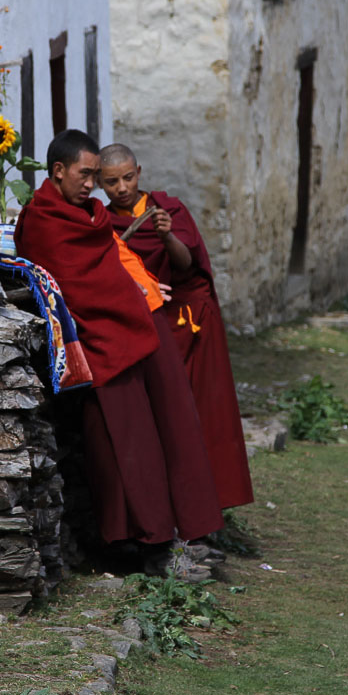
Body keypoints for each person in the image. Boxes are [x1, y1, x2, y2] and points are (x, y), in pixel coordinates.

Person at [15, 129, 224, 548]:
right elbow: (78, 284)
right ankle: (144, 541)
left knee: (174, 425)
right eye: (86, 174)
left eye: (97, 176)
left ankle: (193, 529)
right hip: (101, 341)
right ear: (58, 171)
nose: (94, 184)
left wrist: (139, 291)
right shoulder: (43, 220)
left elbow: (115, 263)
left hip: (137, 325)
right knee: (121, 445)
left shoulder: (92, 214)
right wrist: (128, 299)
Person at [99, 143, 254, 510]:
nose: (121, 188)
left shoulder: (168, 209)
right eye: (111, 182)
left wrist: (167, 235)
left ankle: (210, 504)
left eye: (127, 177)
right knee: (163, 418)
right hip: (148, 322)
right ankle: (173, 506)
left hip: (189, 321)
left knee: (204, 412)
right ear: (100, 186)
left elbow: (186, 265)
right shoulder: (103, 223)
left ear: (139, 171)